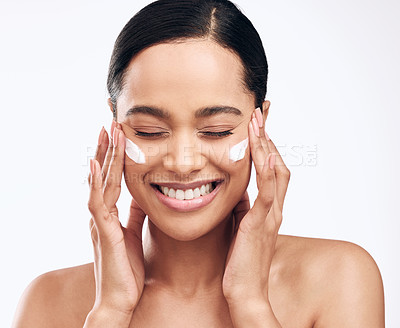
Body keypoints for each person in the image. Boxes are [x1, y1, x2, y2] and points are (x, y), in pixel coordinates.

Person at [12, 0, 385, 327]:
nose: (183, 162)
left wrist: (251, 305)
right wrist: (110, 312)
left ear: (260, 123)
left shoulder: (339, 279)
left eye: (218, 130)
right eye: (150, 130)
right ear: (115, 125)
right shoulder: (48, 303)